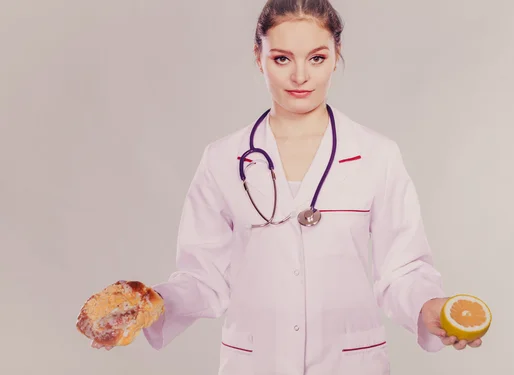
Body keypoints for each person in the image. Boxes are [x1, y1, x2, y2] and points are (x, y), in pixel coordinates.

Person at [90, 0, 483, 373]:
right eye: (282, 58)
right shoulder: (223, 159)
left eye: (317, 58)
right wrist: (150, 305)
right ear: (258, 58)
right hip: (255, 361)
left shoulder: (377, 156)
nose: (300, 76)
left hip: (350, 362)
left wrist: (428, 305)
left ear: (336, 54)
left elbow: (402, 267)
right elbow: (202, 277)